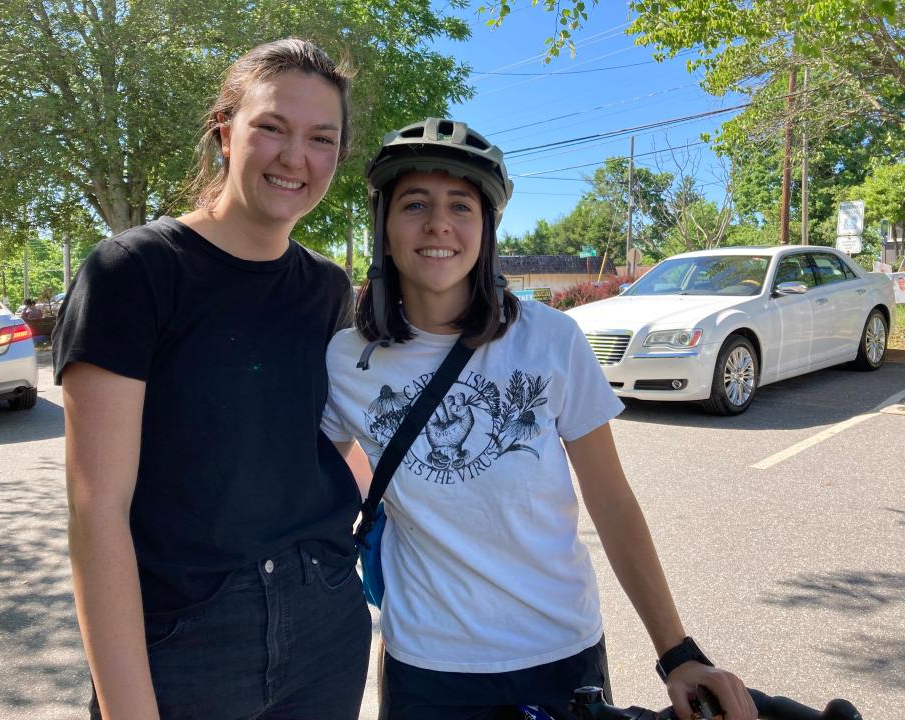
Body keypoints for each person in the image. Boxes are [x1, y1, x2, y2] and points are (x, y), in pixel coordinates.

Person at [321, 118, 758, 720]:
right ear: (385, 230)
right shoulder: (347, 360)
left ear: (487, 229)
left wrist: (677, 652)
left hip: (560, 654)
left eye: (460, 206)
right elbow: (301, 491)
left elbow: (612, 502)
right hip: (427, 665)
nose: (438, 224)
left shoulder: (552, 339)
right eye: (414, 204)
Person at [52, 39, 370, 720]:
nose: (296, 157)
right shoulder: (133, 273)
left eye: (322, 138)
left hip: (327, 618)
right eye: (271, 128)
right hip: (187, 635)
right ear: (224, 132)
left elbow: (326, 442)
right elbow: (95, 509)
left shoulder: (327, 287)